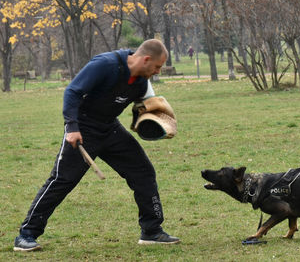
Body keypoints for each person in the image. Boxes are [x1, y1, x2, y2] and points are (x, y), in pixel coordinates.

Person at [14, 39, 180, 252]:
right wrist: (72, 127)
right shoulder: (106, 65)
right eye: (157, 67)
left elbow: (146, 108)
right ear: (146, 59)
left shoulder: (142, 81)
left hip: (110, 128)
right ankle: (26, 234)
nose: (157, 72)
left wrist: (151, 122)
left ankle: (152, 230)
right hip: (83, 129)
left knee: (143, 172)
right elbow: (72, 92)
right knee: (62, 180)